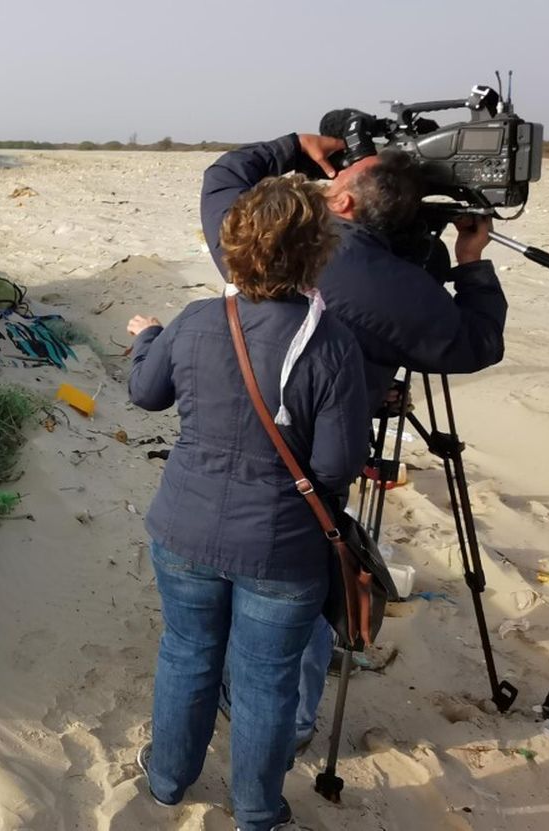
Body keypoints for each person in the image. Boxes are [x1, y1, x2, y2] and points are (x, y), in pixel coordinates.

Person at [199, 133, 509, 760]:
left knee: (245, 580)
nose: (326, 179)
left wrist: (294, 145)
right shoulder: (406, 290)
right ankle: (289, 720)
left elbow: (222, 178)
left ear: (340, 207)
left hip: (228, 441)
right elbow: (476, 343)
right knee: (306, 578)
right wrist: (471, 260)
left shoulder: (264, 245)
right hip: (321, 459)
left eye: (337, 177)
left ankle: (259, 704)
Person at [127, 173, 370, 831]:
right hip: (279, 546)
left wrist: (148, 336)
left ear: (234, 246)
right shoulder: (331, 344)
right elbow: (337, 465)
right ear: (317, 252)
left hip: (187, 531)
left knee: (188, 652)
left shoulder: (200, 320)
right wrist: (155, 339)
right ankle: (256, 809)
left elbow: (145, 391)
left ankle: (170, 779)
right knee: (264, 681)